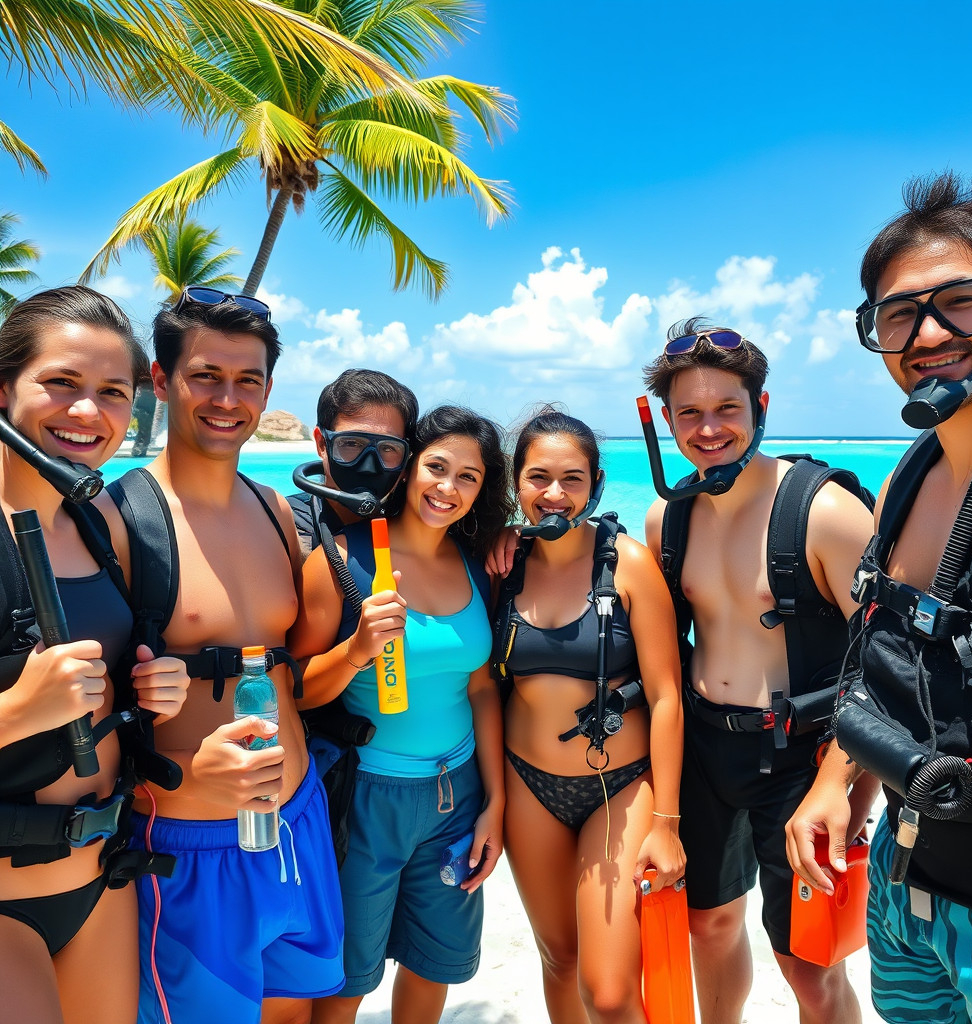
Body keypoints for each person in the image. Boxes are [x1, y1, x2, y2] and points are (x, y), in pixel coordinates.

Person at [787, 173, 972, 1024]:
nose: (926, 333)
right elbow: (889, 661)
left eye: (960, 301)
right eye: (896, 314)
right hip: (902, 881)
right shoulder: (905, 480)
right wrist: (834, 783)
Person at [105, 287, 345, 1024]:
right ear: (159, 380)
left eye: (248, 380)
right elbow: (85, 712)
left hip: (296, 827)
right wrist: (179, 781)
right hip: (187, 846)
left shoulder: (278, 512)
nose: (227, 398)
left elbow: (300, 663)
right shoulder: (116, 520)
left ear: (268, 389)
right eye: (205, 375)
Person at [642, 320, 876, 1024]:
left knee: (809, 964)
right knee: (707, 928)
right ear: (667, 422)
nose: (708, 429)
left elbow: (885, 659)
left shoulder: (825, 512)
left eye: (727, 410)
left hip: (803, 757)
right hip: (707, 751)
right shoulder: (664, 520)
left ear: (761, 407)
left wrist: (849, 785)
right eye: (690, 413)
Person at [0, 286, 189, 1024]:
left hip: (103, 882)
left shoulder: (90, 524)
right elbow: (38, 700)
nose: (89, 413)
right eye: (61, 384)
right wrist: (22, 707)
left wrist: (146, 692)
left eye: (113, 392)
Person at [290, 404, 512, 1024]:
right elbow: (296, 690)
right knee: (347, 977)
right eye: (437, 468)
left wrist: (494, 802)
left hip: (457, 795)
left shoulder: (476, 563)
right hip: (367, 795)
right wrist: (357, 650)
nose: (448, 488)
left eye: (469, 477)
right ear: (409, 468)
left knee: (433, 964)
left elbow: (482, 690)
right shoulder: (339, 560)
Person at [491, 408, 684, 1024]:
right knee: (561, 959)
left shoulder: (626, 564)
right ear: (515, 484)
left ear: (596, 485)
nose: (554, 493)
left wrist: (667, 823)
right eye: (538, 477)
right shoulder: (501, 564)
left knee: (609, 993)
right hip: (527, 784)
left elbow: (666, 698)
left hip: (620, 787)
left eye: (573, 479)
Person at [288, 368, 418, 558]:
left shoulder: (416, 524)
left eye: (389, 448)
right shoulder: (286, 524)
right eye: (351, 443)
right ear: (322, 444)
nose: (369, 466)